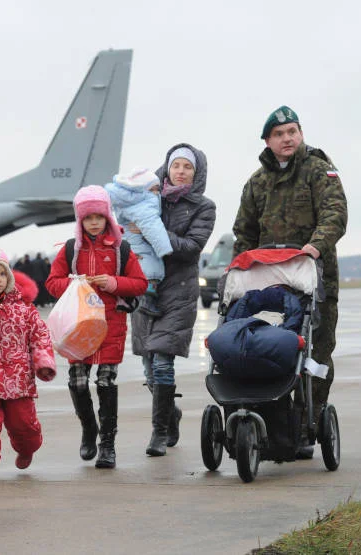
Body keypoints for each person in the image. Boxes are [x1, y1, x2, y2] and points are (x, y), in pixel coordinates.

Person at [232, 106, 348, 458]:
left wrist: (316, 246)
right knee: (265, 348)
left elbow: (335, 213)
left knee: (316, 350)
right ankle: (269, 420)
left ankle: (305, 425)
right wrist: (239, 269)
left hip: (314, 277)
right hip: (268, 279)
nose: (288, 139)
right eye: (280, 134)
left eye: (293, 131)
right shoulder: (256, 182)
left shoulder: (319, 170)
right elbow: (245, 231)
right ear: (268, 141)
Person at [46, 185, 148, 468]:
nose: (93, 222)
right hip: (78, 325)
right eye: (87, 217)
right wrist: (75, 282)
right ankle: (89, 430)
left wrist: (113, 283)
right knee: (78, 383)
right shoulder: (70, 249)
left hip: (110, 325)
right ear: (80, 220)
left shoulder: (121, 249)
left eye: (98, 217)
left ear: (107, 218)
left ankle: (108, 445)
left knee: (105, 382)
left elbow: (140, 284)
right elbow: (52, 284)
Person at [131, 144, 215, 457]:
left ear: (196, 173)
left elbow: (192, 246)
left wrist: (153, 232)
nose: (180, 171)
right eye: (175, 165)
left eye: (187, 167)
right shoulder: (148, 197)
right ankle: (171, 413)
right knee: (149, 368)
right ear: (167, 168)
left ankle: (159, 432)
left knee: (163, 361)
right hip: (145, 289)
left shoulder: (204, 207)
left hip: (178, 290)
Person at [0, 247, 56, 483]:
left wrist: (43, 362)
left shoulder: (25, 309)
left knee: (23, 424)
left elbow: (40, 337)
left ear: (9, 277)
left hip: (18, 379)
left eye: (1, 274)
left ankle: (27, 448)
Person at [104, 167, 173, 316]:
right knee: (151, 272)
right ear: (143, 189)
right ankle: (147, 303)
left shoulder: (127, 203)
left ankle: (128, 300)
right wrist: (164, 248)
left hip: (131, 244)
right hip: (142, 248)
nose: (157, 193)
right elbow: (153, 228)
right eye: (154, 189)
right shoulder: (144, 205)